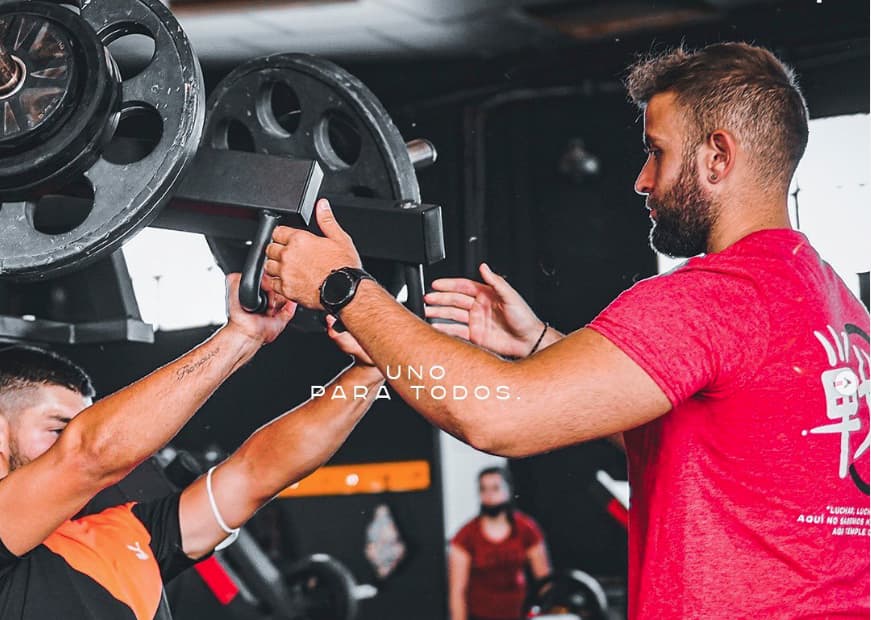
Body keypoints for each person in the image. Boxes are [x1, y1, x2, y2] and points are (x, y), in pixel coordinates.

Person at [264, 42, 870, 617]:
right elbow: (689, 436)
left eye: (657, 151)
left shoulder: (715, 299)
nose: (642, 180)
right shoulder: (834, 306)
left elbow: (497, 417)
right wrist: (539, 346)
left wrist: (344, 287)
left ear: (718, 156)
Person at [0, 274, 384, 619]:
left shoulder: (128, 531)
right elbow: (89, 454)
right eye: (58, 429)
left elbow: (258, 472)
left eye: (76, 428)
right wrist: (241, 337)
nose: (69, 442)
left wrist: (372, 368)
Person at [448, 466, 550, 620]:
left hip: (519, 613)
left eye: (495, 488)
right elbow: (457, 591)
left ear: (507, 490)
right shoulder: (466, 536)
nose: (489, 495)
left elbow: (544, 581)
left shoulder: (526, 529)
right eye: (483, 489)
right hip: (481, 615)